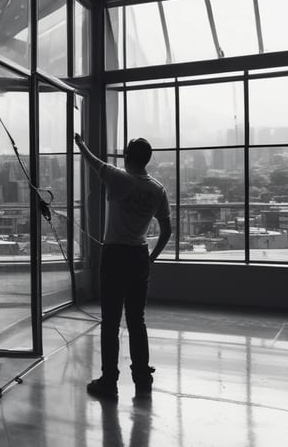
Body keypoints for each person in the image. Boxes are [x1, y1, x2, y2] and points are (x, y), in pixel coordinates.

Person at [75, 133, 171, 400]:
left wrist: (81, 143)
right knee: (136, 320)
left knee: (110, 322)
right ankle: (142, 376)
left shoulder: (119, 178)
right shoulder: (157, 189)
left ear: (128, 157)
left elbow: (93, 162)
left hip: (116, 255)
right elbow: (167, 230)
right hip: (139, 255)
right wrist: (151, 257)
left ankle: (109, 381)